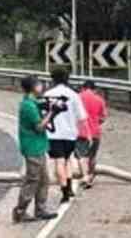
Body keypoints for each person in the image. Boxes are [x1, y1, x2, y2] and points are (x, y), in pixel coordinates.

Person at [12, 75, 60, 224]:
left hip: (38, 146)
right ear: (33, 87)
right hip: (32, 146)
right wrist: (52, 112)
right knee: (33, 180)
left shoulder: (33, 102)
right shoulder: (29, 106)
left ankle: (40, 209)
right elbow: (39, 127)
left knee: (44, 179)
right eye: (39, 84)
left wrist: (50, 109)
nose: (42, 87)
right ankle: (20, 211)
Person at [43, 68, 87, 203]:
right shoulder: (74, 95)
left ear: (53, 79)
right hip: (70, 134)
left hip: (53, 134)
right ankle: (69, 186)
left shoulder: (47, 94)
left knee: (59, 162)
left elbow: (43, 115)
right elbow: (82, 117)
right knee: (67, 160)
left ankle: (64, 191)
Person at [75, 80, 107, 188]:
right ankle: (91, 176)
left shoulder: (77, 97)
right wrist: (95, 122)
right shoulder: (99, 99)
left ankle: (85, 176)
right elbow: (103, 118)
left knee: (81, 156)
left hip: (81, 132)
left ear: (83, 88)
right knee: (92, 156)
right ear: (95, 89)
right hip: (95, 132)